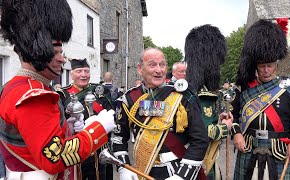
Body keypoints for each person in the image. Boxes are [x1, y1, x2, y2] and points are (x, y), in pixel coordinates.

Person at [0, 1, 115, 179]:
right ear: (38, 50)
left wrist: (66, 129)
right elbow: (55, 157)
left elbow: (35, 139)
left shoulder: (16, 86)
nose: (63, 59)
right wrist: (97, 128)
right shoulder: (34, 96)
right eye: (57, 52)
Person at [231, 19, 290, 180]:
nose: (266, 70)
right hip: (249, 149)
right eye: (262, 66)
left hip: (279, 152)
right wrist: (236, 134)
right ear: (256, 65)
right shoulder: (246, 89)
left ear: (276, 64)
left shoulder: (289, 88)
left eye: (270, 65)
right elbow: (234, 116)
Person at [112, 47, 209, 180]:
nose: (159, 70)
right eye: (152, 65)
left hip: (177, 169)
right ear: (140, 69)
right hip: (142, 172)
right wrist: (124, 168)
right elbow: (118, 138)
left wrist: (182, 176)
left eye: (162, 64)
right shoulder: (129, 99)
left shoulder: (182, 96)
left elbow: (200, 140)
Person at [185, 24, 233, 179]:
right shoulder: (203, 94)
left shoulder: (188, 88)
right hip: (200, 159)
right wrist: (225, 128)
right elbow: (204, 132)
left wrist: (219, 118)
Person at [57, 59, 114, 180]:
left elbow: (112, 114)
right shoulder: (62, 94)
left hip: (101, 150)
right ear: (71, 74)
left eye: (86, 71)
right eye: (79, 71)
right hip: (77, 149)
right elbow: (59, 124)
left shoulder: (101, 91)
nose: (83, 74)